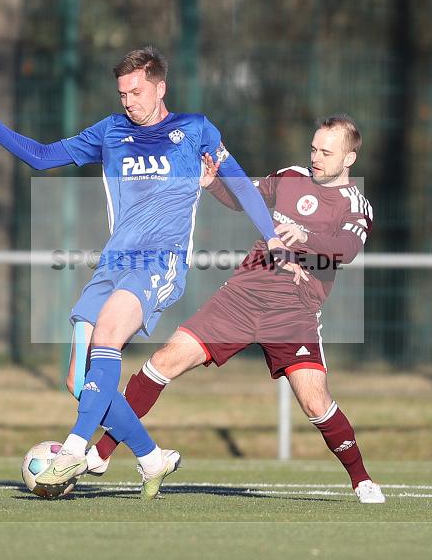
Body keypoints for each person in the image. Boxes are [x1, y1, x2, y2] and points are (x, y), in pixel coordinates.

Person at [0, 46, 297, 500]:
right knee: (78, 381)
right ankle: (152, 457)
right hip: (113, 263)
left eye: (136, 91)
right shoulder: (110, 132)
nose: (128, 100)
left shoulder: (195, 130)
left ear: (160, 87)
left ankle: (75, 448)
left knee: (108, 338)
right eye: (122, 93)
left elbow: (239, 182)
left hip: (159, 262)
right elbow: (42, 157)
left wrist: (270, 235)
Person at [85, 114, 386, 504]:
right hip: (241, 297)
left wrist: (305, 238)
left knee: (315, 401)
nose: (316, 157)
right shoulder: (290, 177)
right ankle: (100, 454)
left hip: (292, 310)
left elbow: (345, 251)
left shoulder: (355, 203)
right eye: (313, 148)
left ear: (349, 159)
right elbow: (244, 199)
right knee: (163, 361)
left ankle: (362, 479)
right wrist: (213, 186)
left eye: (326, 152)